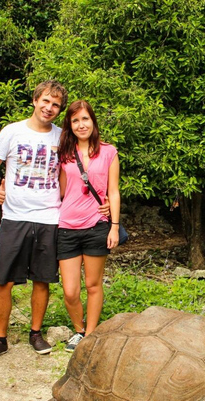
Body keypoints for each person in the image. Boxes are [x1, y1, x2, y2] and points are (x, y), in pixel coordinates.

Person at [0, 81, 108, 364]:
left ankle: (35, 333)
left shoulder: (63, 137)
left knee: (42, 280)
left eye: (56, 105)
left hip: (50, 217)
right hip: (14, 216)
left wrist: (103, 201)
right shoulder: (12, 131)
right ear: (36, 100)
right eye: (46, 101)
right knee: (3, 282)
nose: (49, 108)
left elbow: (82, 170)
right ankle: (0, 340)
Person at [56, 100, 121, 351]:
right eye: (75, 120)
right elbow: (61, 190)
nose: (81, 124)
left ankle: (90, 334)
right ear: (69, 125)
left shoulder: (108, 152)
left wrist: (114, 225)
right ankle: (78, 329)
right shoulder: (64, 154)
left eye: (85, 119)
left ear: (92, 121)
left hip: (97, 225)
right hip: (67, 226)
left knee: (93, 285)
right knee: (70, 290)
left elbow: (113, 191)